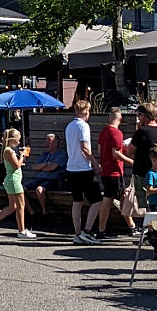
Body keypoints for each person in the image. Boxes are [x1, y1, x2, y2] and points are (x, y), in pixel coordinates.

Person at [89, 107, 131, 239]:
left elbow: (100, 149)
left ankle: (131, 225)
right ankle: (102, 229)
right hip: (114, 171)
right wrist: (131, 160)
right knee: (110, 199)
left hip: (105, 170)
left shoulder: (104, 131)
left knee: (120, 197)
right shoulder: (117, 133)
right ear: (120, 118)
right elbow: (116, 154)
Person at [0, 128, 34, 239]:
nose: (19, 143)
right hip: (14, 180)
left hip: (11, 180)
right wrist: (22, 155)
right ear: (11, 139)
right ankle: (21, 230)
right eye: (17, 140)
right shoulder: (9, 151)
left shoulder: (7, 150)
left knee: (12, 206)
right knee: (21, 205)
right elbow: (16, 165)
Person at [64, 97, 100, 243]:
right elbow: (85, 147)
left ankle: (77, 233)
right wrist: (96, 163)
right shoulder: (83, 126)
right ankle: (87, 230)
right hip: (83, 168)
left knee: (77, 202)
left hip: (71, 167)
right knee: (97, 200)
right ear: (86, 112)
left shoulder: (69, 126)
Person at [26, 131, 68, 218]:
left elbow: (52, 168)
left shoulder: (61, 154)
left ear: (56, 143)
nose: (47, 143)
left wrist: (42, 167)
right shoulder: (45, 155)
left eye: (49, 141)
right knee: (21, 189)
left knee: (39, 190)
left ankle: (45, 212)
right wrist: (46, 164)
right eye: (46, 141)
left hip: (53, 180)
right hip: (39, 179)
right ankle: (31, 212)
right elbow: (34, 167)